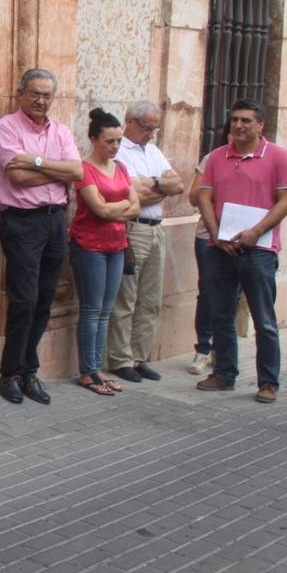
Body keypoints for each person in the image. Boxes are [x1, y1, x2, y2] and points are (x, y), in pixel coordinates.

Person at [0, 69, 84, 406]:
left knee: (44, 300)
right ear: (20, 94)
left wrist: (39, 162)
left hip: (55, 221)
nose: (41, 101)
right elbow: (17, 176)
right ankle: (10, 372)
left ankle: (30, 370)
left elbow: (78, 171)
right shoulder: (5, 128)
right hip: (22, 222)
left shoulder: (60, 131)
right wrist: (55, 171)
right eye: (35, 94)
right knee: (24, 300)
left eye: (46, 95)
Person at [196, 100, 287, 403]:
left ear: (260, 125)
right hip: (221, 247)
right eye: (235, 120)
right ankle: (225, 374)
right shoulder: (216, 157)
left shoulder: (279, 156)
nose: (239, 126)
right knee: (221, 314)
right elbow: (204, 197)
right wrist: (216, 234)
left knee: (263, 318)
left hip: (259, 250)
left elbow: (286, 200)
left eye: (246, 121)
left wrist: (255, 232)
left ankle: (268, 382)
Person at [105, 102, 184, 384]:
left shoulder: (153, 151)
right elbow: (129, 194)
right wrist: (158, 186)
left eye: (155, 128)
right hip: (133, 228)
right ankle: (121, 358)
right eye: (148, 127)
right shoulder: (119, 150)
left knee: (150, 299)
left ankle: (140, 356)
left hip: (156, 229)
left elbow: (178, 184)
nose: (152, 133)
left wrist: (150, 186)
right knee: (126, 298)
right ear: (131, 121)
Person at [69, 109, 139, 396]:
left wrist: (115, 209)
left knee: (106, 310)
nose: (115, 147)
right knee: (91, 309)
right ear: (94, 139)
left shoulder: (120, 167)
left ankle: (96, 368)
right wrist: (121, 207)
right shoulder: (84, 169)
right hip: (89, 246)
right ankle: (88, 371)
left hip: (117, 245)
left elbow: (136, 207)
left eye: (118, 141)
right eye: (109, 141)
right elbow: (97, 210)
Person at [185, 119, 232, 376]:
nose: (238, 129)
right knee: (207, 292)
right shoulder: (212, 159)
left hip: (241, 238)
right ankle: (203, 348)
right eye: (233, 125)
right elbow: (193, 197)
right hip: (208, 236)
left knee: (232, 295)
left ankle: (221, 350)